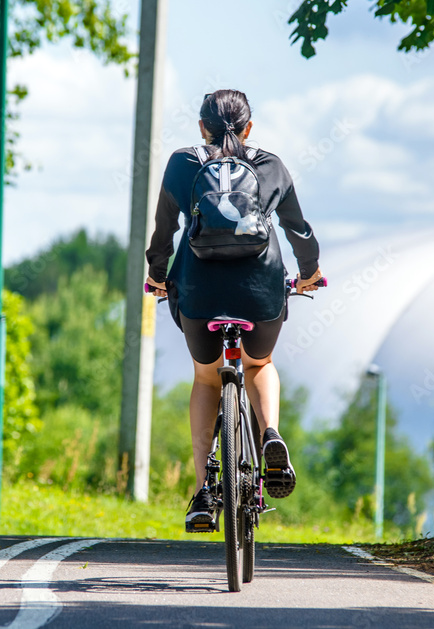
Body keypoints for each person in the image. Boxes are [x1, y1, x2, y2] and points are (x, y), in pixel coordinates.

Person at [145, 89, 323, 531]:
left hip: (199, 292)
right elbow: (297, 229)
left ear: (201, 127)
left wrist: (158, 275)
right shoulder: (269, 165)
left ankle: (205, 489)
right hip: (260, 291)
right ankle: (271, 435)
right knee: (259, 364)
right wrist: (309, 273)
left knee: (207, 378)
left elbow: (164, 230)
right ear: (248, 128)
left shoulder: (182, 163)